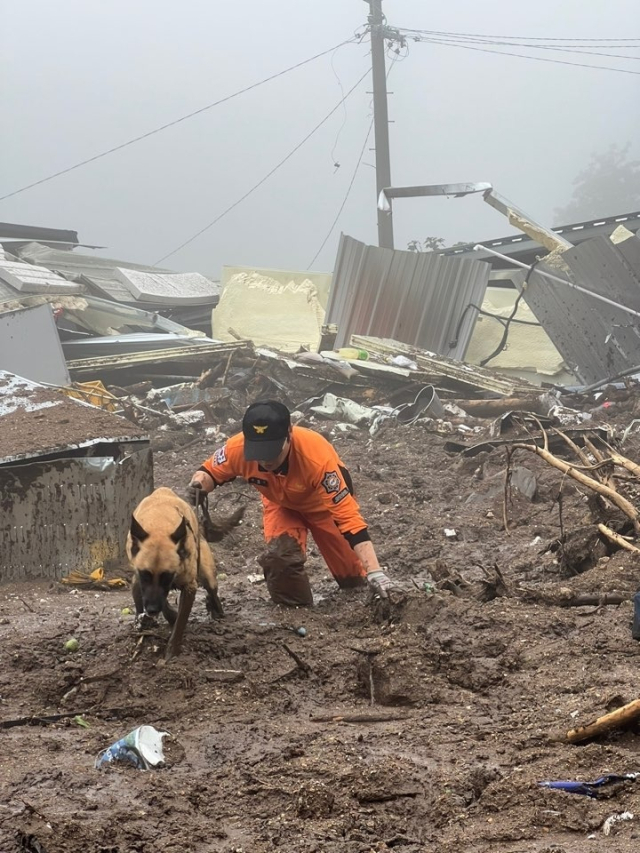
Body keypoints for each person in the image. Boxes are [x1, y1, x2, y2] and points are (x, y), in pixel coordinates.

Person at [187, 400, 393, 606]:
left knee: (354, 580)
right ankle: (296, 611)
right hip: (281, 505)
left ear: (289, 433)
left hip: (323, 508)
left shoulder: (318, 459)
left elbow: (350, 520)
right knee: (279, 559)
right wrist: (198, 486)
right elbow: (208, 472)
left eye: (272, 451)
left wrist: (375, 571)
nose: (266, 461)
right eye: (258, 453)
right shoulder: (236, 448)